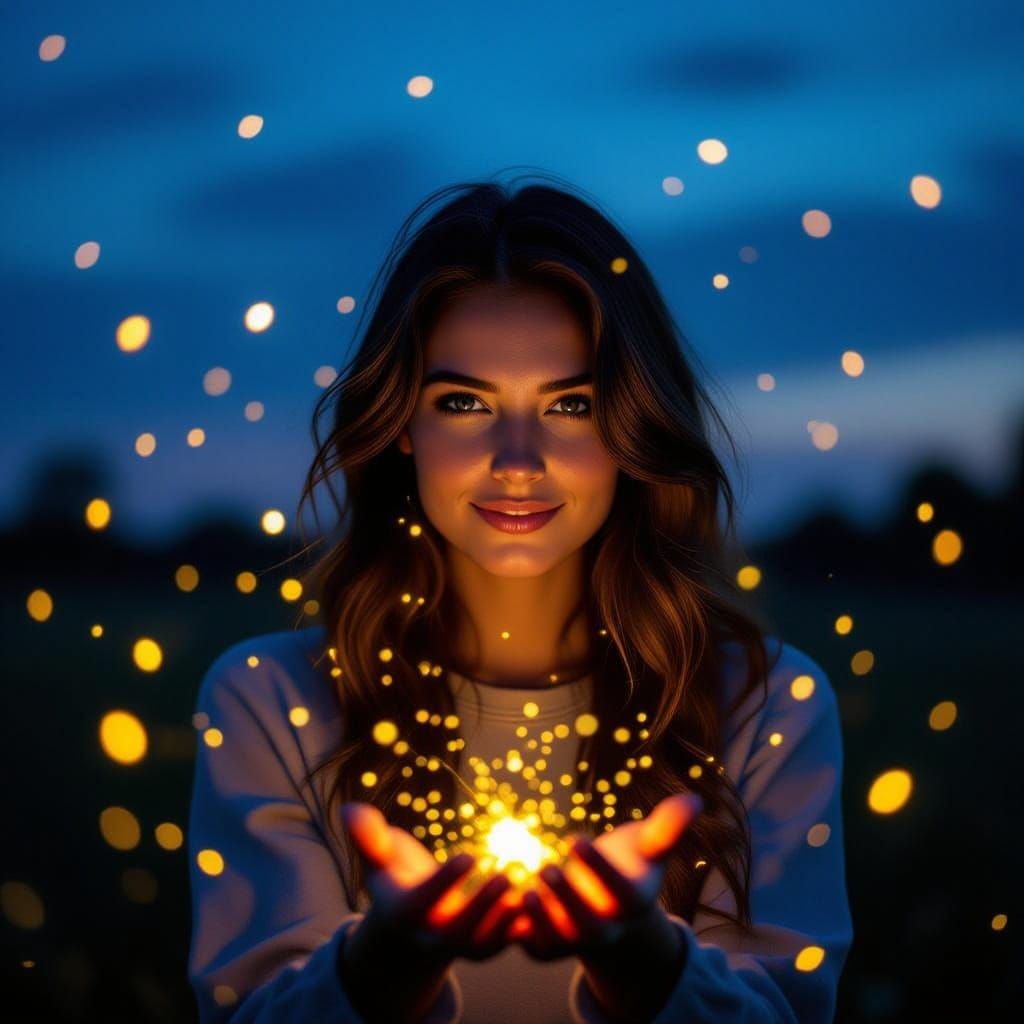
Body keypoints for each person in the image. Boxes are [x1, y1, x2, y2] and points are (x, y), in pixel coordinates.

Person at [187, 173, 853, 1022]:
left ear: (633, 425)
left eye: (570, 404)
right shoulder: (272, 702)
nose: (517, 460)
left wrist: (647, 967)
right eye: (465, 402)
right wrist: (379, 971)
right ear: (400, 423)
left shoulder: (763, 706)